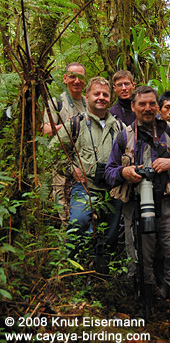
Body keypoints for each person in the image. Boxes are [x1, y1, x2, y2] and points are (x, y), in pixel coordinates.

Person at [104, 85, 170, 327]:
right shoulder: (124, 136)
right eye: (141, 104)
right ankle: (144, 306)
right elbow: (109, 172)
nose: (147, 108)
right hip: (136, 204)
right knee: (139, 256)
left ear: (157, 106)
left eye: (151, 104)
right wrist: (125, 171)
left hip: (169, 202)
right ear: (133, 107)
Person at [50, 77, 124, 274]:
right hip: (85, 186)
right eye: (96, 94)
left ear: (110, 98)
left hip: (112, 190)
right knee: (78, 224)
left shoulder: (119, 127)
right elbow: (52, 151)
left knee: (109, 236)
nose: (101, 98)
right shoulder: (76, 123)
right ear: (88, 96)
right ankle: (70, 273)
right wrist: (71, 169)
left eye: (105, 94)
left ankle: (101, 276)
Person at [43, 62, 87, 225]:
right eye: (72, 77)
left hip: (84, 162)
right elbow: (46, 130)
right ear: (65, 78)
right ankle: (65, 245)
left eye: (80, 77)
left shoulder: (88, 103)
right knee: (63, 207)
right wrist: (68, 125)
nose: (76, 81)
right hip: (61, 161)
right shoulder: (56, 103)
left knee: (84, 208)